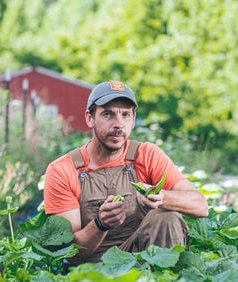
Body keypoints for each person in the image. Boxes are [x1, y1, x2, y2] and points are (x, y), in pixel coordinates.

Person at [44, 81, 208, 264]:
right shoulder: (63, 170)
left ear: (133, 118)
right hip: (93, 270)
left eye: (125, 115)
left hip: (144, 261)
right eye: (108, 114)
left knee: (167, 217)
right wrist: (100, 224)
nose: (119, 124)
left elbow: (201, 206)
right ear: (90, 118)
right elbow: (69, 252)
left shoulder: (146, 154)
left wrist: (162, 197)